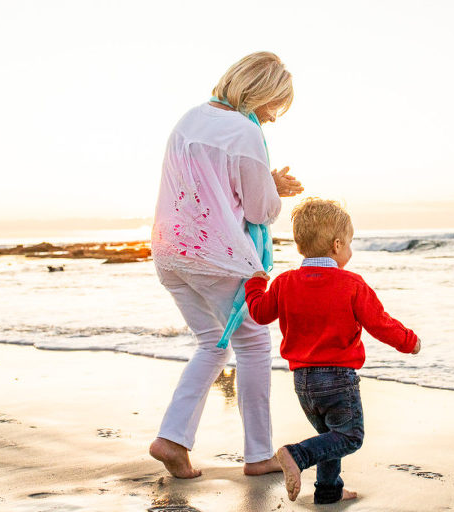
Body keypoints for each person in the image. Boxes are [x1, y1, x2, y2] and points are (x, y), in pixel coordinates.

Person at [149, 51, 303, 478]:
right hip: (216, 255)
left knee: (212, 343)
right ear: (262, 94)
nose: (272, 117)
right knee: (253, 345)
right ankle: (258, 456)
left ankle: (172, 440)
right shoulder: (244, 131)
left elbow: (207, 187)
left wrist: (265, 181)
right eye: (275, 105)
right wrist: (275, 189)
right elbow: (258, 211)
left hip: (169, 251)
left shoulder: (190, 118)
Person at [244, 198, 422, 503]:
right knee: (350, 436)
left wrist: (255, 285)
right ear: (337, 245)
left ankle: (328, 492)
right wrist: (409, 341)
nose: (350, 250)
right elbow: (380, 323)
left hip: (303, 383)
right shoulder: (351, 284)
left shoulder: (286, 283)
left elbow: (259, 313)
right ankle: (296, 455)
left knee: (330, 435)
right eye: (350, 243)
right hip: (339, 378)